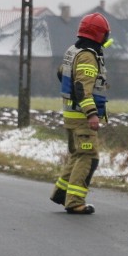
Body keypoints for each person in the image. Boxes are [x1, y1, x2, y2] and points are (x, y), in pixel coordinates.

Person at [49, 13, 110, 215]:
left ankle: (61, 192)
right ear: (100, 35)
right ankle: (75, 201)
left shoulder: (73, 51)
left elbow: (62, 73)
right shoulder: (87, 56)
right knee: (88, 157)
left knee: (77, 154)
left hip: (71, 115)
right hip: (82, 118)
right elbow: (82, 87)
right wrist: (92, 114)